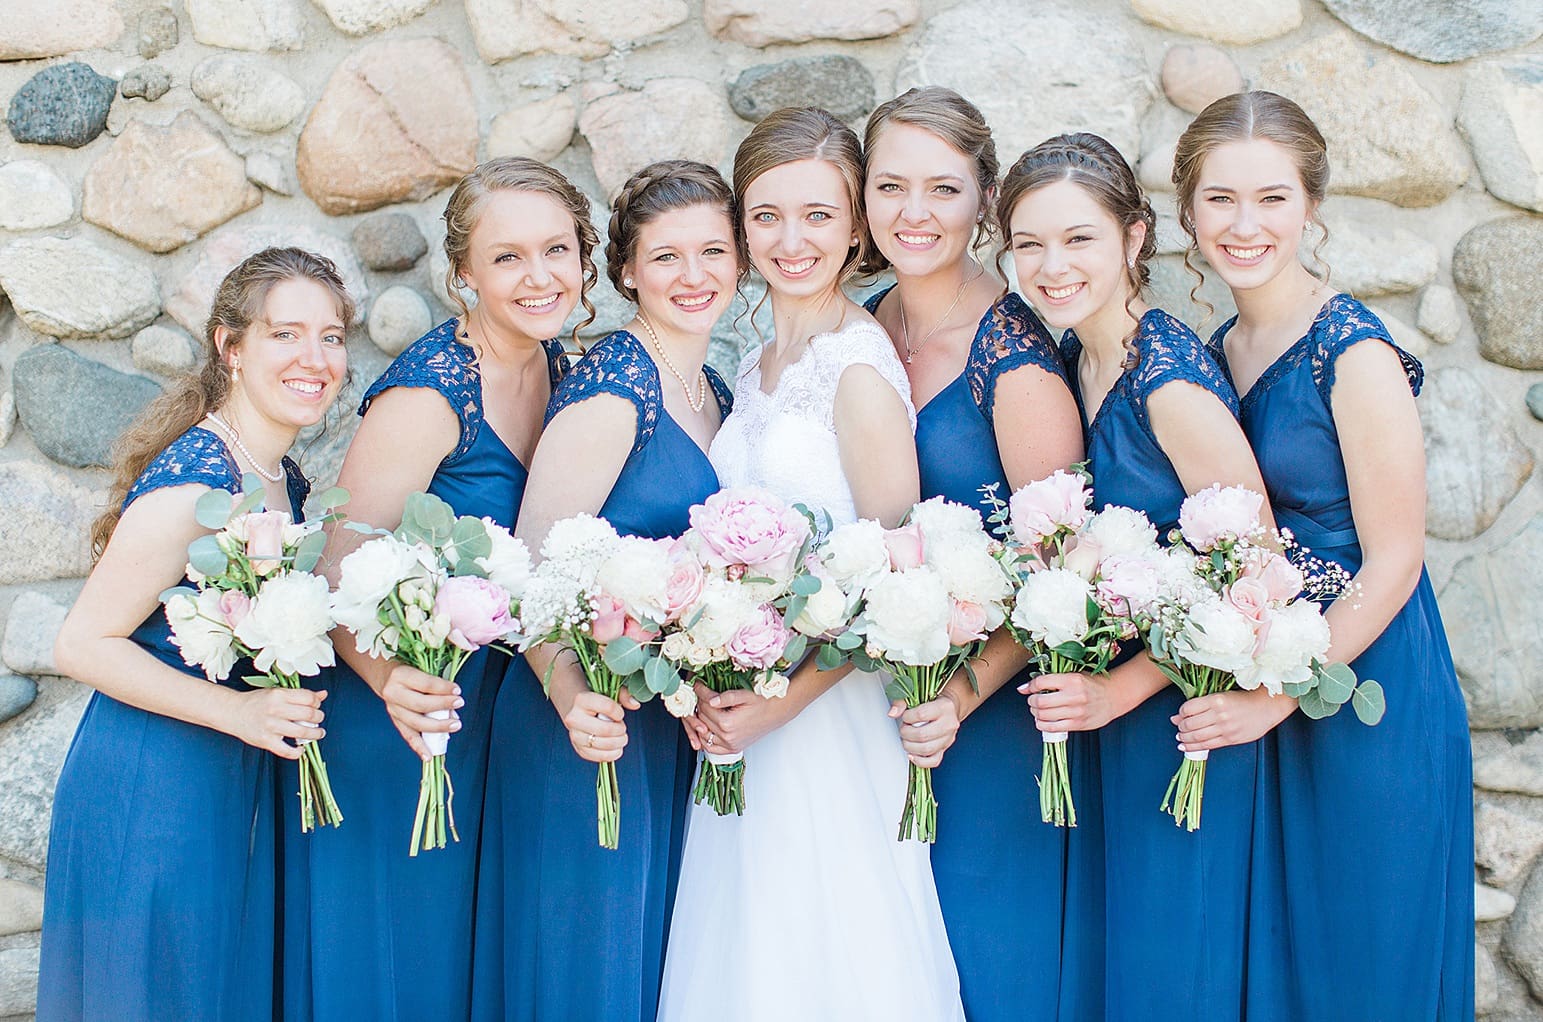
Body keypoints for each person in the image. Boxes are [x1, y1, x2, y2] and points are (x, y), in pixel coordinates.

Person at [1171, 90, 1474, 1020]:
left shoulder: (1355, 353)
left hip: (1363, 688)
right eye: (1219, 199)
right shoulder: (1217, 350)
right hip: (1257, 674)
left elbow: (1394, 559)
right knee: (1273, 963)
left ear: (1310, 206)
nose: (1244, 224)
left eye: (1270, 198)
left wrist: (1273, 696)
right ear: (1185, 211)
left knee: (1362, 957)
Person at [658, 107, 963, 1022]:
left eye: (819, 216)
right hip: (742, 708)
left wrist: (779, 703)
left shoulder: (858, 369)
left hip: (826, 711)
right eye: (766, 216)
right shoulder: (749, 365)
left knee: (833, 947)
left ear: (856, 228)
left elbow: (889, 575)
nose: (791, 241)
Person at [286, 158, 589, 1021]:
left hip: (500, 720)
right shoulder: (428, 394)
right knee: (401, 968)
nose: (538, 278)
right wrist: (395, 686)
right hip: (404, 722)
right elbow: (337, 574)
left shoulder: (563, 371)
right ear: (463, 275)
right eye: (507, 258)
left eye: (555, 251)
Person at [39, 247, 351, 1022]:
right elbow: (80, 645)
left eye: (332, 336)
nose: (315, 359)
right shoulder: (195, 484)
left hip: (225, 778)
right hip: (154, 783)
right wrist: (242, 714)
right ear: (231, 347)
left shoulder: (286, 477)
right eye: (286, 335)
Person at [1005, 133, 1271, 1021]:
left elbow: (1252, 560)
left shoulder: (1165, 376)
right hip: (1115, 714)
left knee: (1172, 964)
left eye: (1077, 238)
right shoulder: (1082, 359)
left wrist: (1121, 689)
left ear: (1132, 236)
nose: (1051, 265)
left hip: (1177, 712)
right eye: (1029, 243)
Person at [496, 159, 742, 1022]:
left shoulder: (713, 389)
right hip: (585, 721)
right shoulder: (613, 387)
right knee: (588, 962)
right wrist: (572, 697)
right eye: (664, 256)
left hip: (667, 720)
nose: (693, 275)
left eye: (712, 250)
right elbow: (530, 577)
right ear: (626, 270)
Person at [859, 86, 1082, 1022]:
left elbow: (1060, 578)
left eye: (942, 190)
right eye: (889, 186)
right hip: (868, 712)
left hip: (987, 721)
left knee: (989, 966)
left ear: (983, 201)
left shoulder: (1016, 357)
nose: (914, 213)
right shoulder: (859, 322)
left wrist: (956, 696)